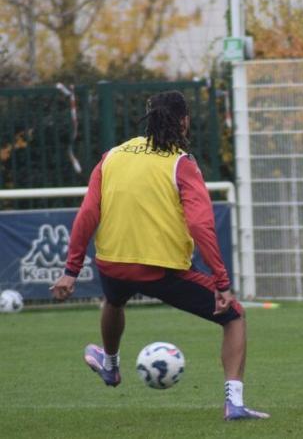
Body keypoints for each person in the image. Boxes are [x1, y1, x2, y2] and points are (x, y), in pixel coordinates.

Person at [50, 90, 269, 421]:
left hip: (113, 264)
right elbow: (200, 224)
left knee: (113, 302)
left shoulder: (112, 156)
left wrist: (71, 270)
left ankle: (110, 366)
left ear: (148, 118)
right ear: (184, 121)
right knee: (234, 317)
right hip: (163, 270)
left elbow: (87, 214)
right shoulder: (181, 163)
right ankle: (234, 403)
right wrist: (222, 282)